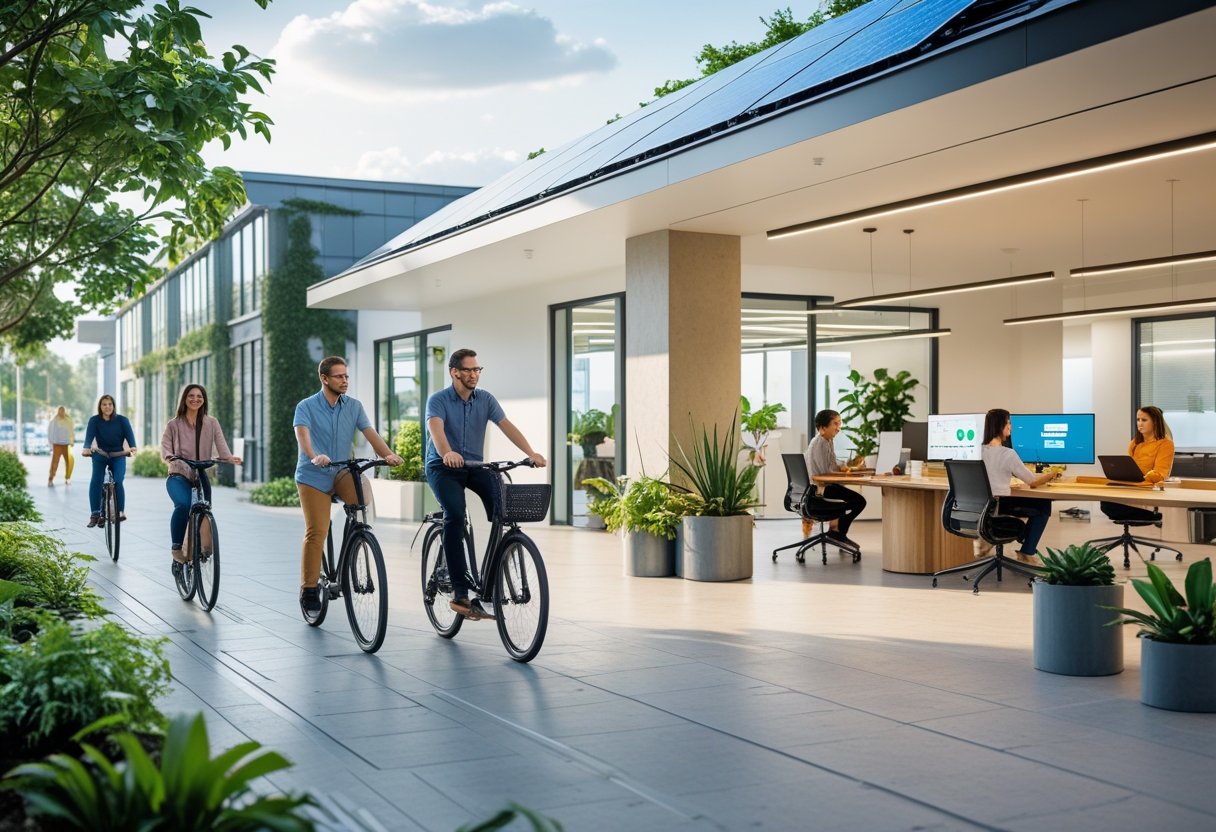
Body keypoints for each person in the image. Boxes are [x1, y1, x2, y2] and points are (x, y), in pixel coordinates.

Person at [425, 348, 546, 621]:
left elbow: (507, 425)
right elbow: (436, 429)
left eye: (477, 370)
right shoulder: (438, 400)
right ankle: (459, 592)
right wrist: (447, 452)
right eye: (468, 370)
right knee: (455, 515)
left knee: (504, 510)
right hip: (443, 467)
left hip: (475, 466)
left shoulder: (486, 399)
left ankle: (488, 587)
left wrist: (530, 452)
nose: (473, 374)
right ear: (454, 372)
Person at [294, 357, 402, 616]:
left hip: (342, 470)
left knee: (362, 499)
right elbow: (302, 435)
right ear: (324, 378)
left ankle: (357, 537)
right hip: (313, 475)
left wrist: (388, 454)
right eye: (339, 376)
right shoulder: (306, 406)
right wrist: (313, 455)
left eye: (346, 376)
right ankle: (309, 588)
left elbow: (370, 433)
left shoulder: (354, 406)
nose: (344, 381)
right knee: (317, 530)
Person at [161, 384, 242, 567]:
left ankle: (201, 548)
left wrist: (229, 458)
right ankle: (176, 549)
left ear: (204, 400)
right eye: (191, 396)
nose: (195, 399)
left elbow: (220, 443)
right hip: (178, 474)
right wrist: (170, 457)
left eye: (199, 396)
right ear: (184, 399)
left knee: (205, 509)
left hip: (200, 472)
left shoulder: (211, 422)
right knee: (183, 505)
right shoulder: (174, 424)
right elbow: (165, 446)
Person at [979, 408, 1057, 559]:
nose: (1010, 427)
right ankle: (1026, 552)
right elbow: (1033, 482)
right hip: (998, 506)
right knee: (1044, 506)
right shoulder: (1008, 454)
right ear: (999, 426)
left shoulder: (976, 451)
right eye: (1008, 423)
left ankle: (1018, 542)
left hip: (980, 508)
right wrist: (1052, 474)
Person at [1100, 405, 1174, 525]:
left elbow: (1162, 474)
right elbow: (1128, 465)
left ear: (1155, 422)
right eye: (1138, 420)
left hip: (1146, 486)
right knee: (1105, 501)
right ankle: (1149, 517)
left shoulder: (1166, 443)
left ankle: (1154, 517)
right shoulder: (1135, 442)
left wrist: (1145, 477)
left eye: (1144, 420)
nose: (1140, 423)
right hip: (1130, 483)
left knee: (1109, 504)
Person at [803, 409, 867, 549]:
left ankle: (837, 531)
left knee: (855, 500)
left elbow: (831, 464)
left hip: (823, 487)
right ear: (822, 428)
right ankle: (837, 533)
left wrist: (850, 468)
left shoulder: (827, 440)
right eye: (835, 424)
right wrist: (848, 474)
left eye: (840, 423)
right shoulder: (820, 443)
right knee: (859, 502)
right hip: (820, 489)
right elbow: (826, 473)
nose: (839, 428)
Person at [82, 395, 136, 527]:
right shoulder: (94, 421)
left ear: (113, 406)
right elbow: (89, 438)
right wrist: (86, 448)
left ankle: (119, 512)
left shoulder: (122, 420)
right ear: (100, 407)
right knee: (96, 480)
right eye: (104, 404)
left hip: (118, 455)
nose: (107, 407)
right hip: (101, 454)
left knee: (118, 480)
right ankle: (95, 513)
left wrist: (133, 447)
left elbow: (130, 437)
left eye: (110, 404)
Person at [47, 406, 75, 487]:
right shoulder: (54, 421)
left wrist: (72, 442)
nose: (62, 412)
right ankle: (50, 479)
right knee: (55, 463)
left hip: (66, 445)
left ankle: (67, 478)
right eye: (60, 411)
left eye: (63, 411)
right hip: (57, 445)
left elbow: (71, 432)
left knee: (69, 462)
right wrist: (51, 444)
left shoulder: (68, 421)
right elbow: (50, 433)